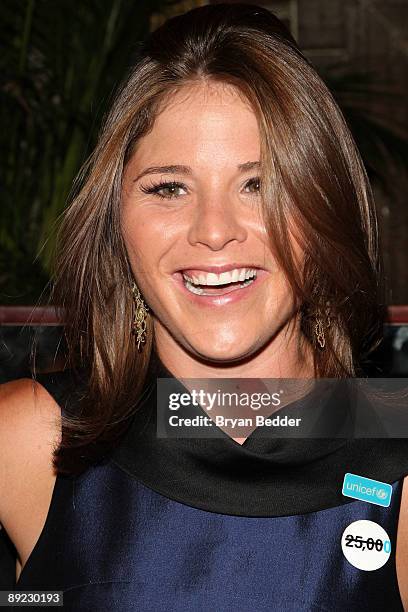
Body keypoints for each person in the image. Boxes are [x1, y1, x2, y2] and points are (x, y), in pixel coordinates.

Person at [0, 3, 407, 610]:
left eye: (259, 184)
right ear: (116, 224)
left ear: (324, 209)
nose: (213, 231)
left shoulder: (400, 456)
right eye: (169, 187)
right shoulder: (28, 441)